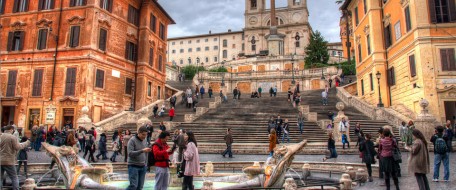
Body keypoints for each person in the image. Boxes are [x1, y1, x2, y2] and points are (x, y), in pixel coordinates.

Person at [0, 125, 30, 190]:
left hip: (0, 160)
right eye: (13, 130)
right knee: (14, 177)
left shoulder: (1, 136)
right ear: (11, 129)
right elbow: (18, 147)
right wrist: (26, 143)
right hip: (9, 161)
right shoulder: (12, 137)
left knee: (0, 178)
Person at [127, 126, 151, 190]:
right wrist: (142, 151)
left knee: (140, 187)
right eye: (143, 134)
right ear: (138, 133)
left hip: (143, 166)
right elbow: (130, 154)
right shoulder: (132, 140)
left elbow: (146, 153)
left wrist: (146, 164)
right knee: (133, 186)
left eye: (145, 135)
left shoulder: (145, 140)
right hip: (133, 166)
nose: (144, 136)